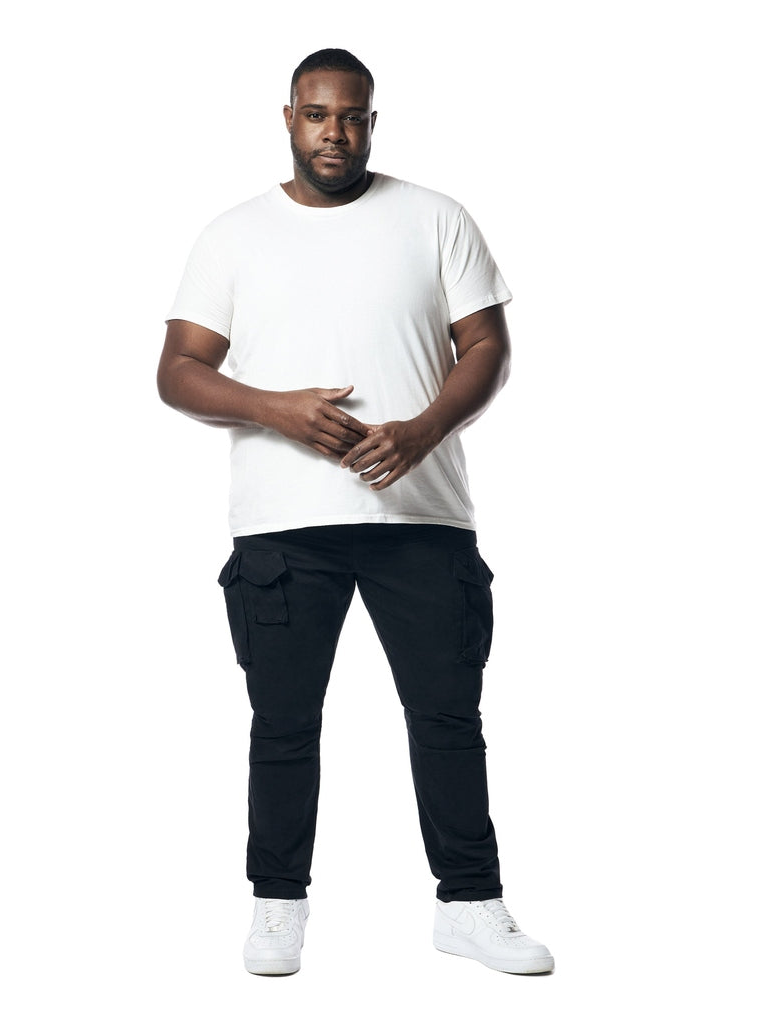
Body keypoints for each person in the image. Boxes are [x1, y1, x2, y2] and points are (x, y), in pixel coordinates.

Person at [157, 48, 553, 977]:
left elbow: (487, 347)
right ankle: (277, 908)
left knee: (448, 716)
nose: (334, 132)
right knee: (283, 723)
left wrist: (421, 431)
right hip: (282, 524)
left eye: (352, 116)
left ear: (372, 122)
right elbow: (177, 371)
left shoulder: (435, 217)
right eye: (317, 114)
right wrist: (276, 409)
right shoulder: (233, 235)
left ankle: (471, 906)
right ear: (288, 118)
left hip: (422, 516)